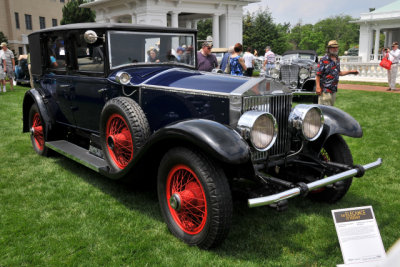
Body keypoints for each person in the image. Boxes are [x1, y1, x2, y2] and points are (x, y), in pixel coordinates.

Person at [316, 40, 359, 106]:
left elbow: (339, 73)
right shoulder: (323, 60)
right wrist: (318, 87)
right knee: (325, 111)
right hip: (325, 90)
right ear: (329, 49)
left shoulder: (337, 59)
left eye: (336, 47)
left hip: (333, 90)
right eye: (333, 47)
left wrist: (350, 72)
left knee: (331, 111)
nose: (335, 49)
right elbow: (318, 74)